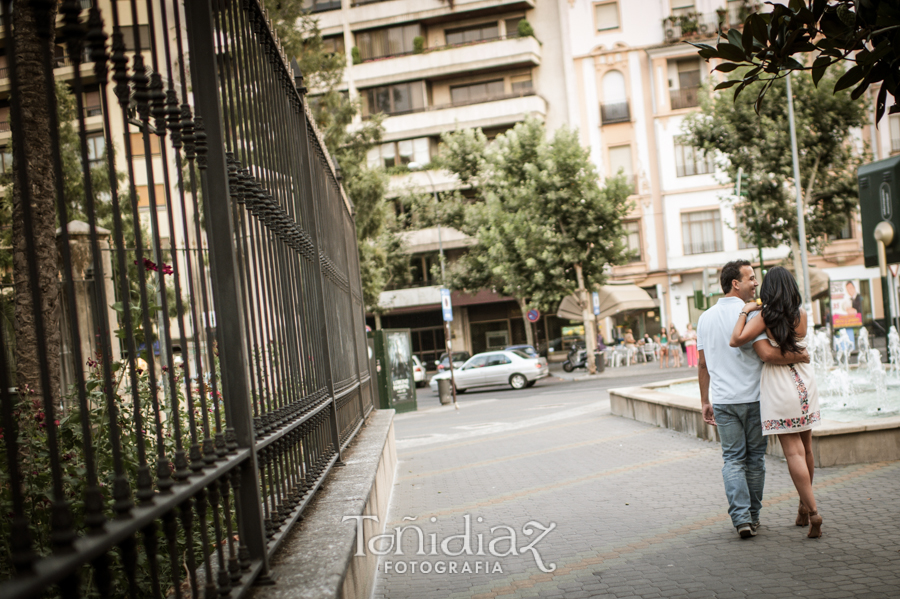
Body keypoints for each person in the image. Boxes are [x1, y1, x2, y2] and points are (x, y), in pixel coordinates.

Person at [697, 260, 810, 539]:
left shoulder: (705, 317)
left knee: (732, 459)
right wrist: (802, 356)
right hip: (756, 399)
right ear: (735, 283)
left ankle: (741, 518)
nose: (756, 283)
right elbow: (768, 353)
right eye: (751, 278)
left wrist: (704, 400)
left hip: (723, 400)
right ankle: (754, 517)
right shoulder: (757, 313)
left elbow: (701, 364)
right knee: (755, 460)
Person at [730, 266, 823, 538]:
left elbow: (736, 340)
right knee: (806, 449)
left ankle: (815, 511)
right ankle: (804, 509)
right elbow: (797, 348)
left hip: (779, 386)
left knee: (793, 453)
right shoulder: (801, 315)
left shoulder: (764, 316)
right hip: (804, 383)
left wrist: (746, 311)